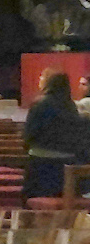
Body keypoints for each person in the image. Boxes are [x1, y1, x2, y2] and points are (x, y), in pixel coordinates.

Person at [23, 71, 90, 202]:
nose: (39, 79)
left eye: (42, 77)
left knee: (37, 200)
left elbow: (30, 134)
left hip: (41, 163)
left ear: (49, 83)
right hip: (66, 163)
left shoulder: (39, 104)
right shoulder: (70, 106)